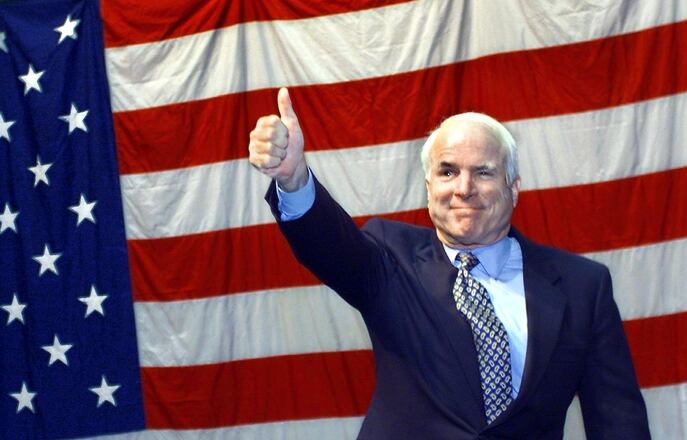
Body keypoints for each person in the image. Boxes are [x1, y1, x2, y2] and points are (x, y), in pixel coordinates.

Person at [249, 88, 650, 439]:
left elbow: (618, 421)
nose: (463, 188)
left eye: (483, 172)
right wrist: (294, 179)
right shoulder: (390, 257)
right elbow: (329, 247)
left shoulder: (583, 286)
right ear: (429, 188)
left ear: (514, 189)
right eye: (448, 171)